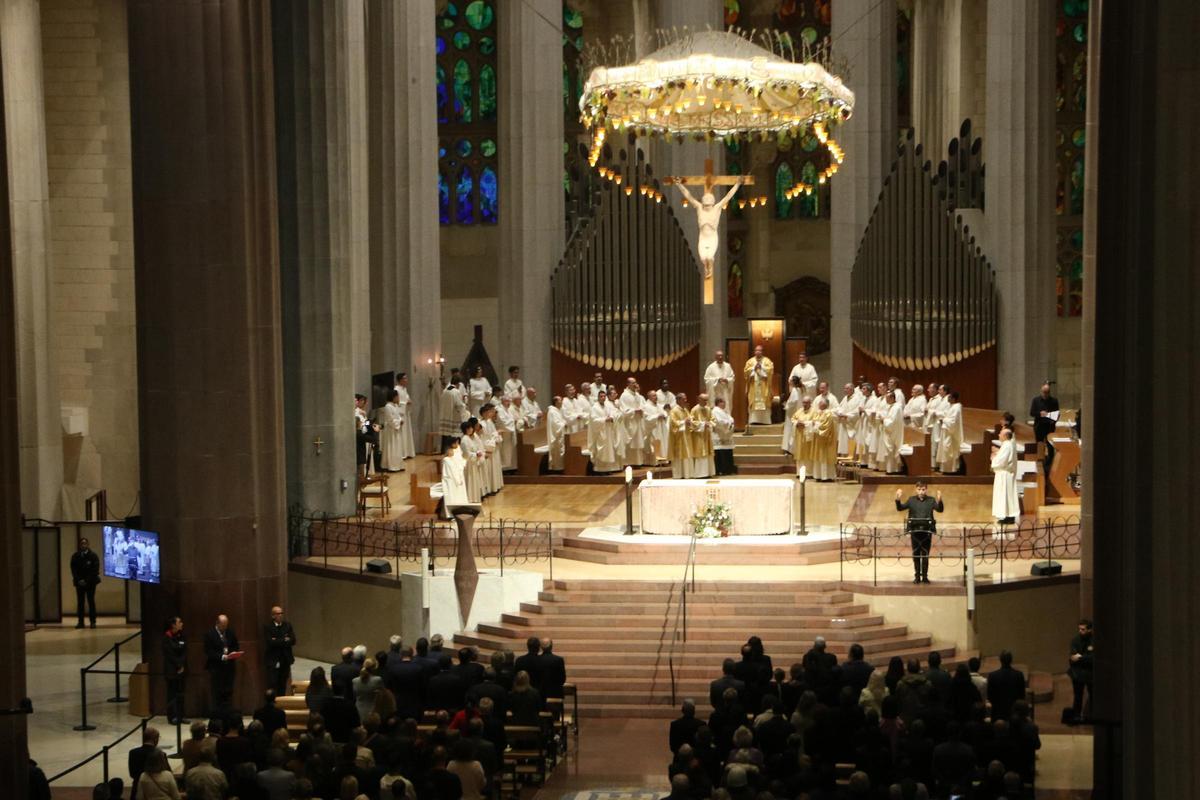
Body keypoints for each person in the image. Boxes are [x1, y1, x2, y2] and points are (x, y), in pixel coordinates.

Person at [895, 481, 944, 584]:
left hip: (926, 532)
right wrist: (898, 499)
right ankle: (917, 577)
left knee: (925, 555)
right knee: (916, 555)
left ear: (926, 489)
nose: (921, 491)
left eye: (923, 489)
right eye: (919, 489)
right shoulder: (911, 500)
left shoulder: (931, 500)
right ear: (916, 489)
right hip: (915, 531)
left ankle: (925, 577)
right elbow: (900, 508)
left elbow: (940, 510)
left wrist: (940, 500)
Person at [203, 614, 240, 711]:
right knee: (217, 692)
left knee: (228, 692)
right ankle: (217, 714)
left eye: (226, 625)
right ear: (217, 623)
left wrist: (233, 653)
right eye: (223, 625)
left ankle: (228, 712)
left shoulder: (230, 632)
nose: (225, 627)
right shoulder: (210, 634)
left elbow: (236, 646)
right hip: (216, 668)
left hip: (229, 668)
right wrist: (222, 656)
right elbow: (208, 651)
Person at [264, 604, 296, 698]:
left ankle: (282, 703)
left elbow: (293, 640)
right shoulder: (268, 626)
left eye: (281, 613)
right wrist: (284, 639)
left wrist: (277, 639)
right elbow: (270, 642)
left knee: (283, 683)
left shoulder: (287, 625)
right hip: (273, 660)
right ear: (273, 615)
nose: (280, 615)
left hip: (285, 659)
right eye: (278, 613)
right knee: (273, 683)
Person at [588, 389, 624, 473]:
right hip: (600, 433)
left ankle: (608, 469)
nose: (603, 398)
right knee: (602, 450)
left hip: (608, 432)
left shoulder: (607, 406)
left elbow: (613, 414)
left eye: (604, 396)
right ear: (598, 397)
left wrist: (612, 418)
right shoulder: (594, 408)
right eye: (601, 396)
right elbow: (594, 420)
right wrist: (605, 419)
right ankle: (600, 469)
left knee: (609, 451)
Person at [986, 650, 1026, 722]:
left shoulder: (993, 676)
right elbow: (1022, 695)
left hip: (997, 713)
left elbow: (990, 697)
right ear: (1011, 660)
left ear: (1000, 660)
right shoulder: (1019, 675)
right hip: (1015, 713)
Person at [1030, 382, 1060, 479]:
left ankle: (1050, 464)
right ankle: (1039, 464)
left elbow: (1057, 414)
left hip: (1049, 427)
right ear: (1041, 391)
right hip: (1039, 426)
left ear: (1049, 392)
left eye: (1047, 392)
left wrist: (1053, 419)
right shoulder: (1036, 400)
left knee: (1050, 446)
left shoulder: (1054, 401)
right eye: (1044, 392)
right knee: (1039, 445)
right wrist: (1040, 413)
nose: (1045, 394)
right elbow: (1032, 413)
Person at [990, 428, 1019, 524]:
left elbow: (1002, 460)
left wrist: (994, 458)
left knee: (1005, 495)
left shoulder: (1007, 445)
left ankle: (1008, 516)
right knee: (1005, 495)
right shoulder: (1007, 444)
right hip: (1004, 474)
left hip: (1005, 474)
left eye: (1000, 434)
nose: (998, 435)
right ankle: (1007, 515)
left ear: (1005, 436)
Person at [70, 537, 101, 629]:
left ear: (88, 544)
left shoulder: (93, 556)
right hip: (79, 583)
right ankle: (80, 622)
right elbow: (73, 570)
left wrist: (86, 580)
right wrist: (79, 580)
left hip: (91, 583)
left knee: (91, 601)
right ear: (80, 545)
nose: (83, 545)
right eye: (82, 543)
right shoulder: (75, 556)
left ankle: (93, 622)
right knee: (80, 602)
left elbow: (95, 570)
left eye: (85, 543)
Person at [162, 616, 187, 724]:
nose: (181, 624)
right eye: (179, 622)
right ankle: (172, 717)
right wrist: (178, 665)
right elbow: (170, 654)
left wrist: (182, 665)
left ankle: (181, 716)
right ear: (173, 625)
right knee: (171, 694)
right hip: (172, 670)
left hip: (181, 669)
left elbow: (184, 650)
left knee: (180, 694)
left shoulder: (181, 635)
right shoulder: (167, 637)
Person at [1068, 619, 1094, 722]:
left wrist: (1080, 658)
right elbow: (1072, 657)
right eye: (1079, 629)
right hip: (1077, 673)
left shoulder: (1094, 640)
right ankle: (1076, 716)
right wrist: (1085, 658)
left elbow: (1093, 658)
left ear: (1089, 630)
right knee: (1077, 695)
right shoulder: (1075, 640)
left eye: (1083, 629)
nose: (1080, 631)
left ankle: (1091, 715)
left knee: (1093, 695)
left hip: (1090, 673)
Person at [618, 379, 647, 466]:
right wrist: (634, 411)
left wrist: (641, 410)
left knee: (638, 442)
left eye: (635, 382)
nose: (635, 384)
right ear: (628, 384)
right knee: (630, 443)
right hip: (630, 423)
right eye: (633, 383)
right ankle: (628, 463)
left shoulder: (637, 395)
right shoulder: (624, 396)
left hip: (638, 421)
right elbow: (623, 410)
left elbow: (643, 406)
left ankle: (638, 462)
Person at [743, 346, 774, 426]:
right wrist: (754, 368)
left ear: (762, 352)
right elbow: (746, 372)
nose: (758, 352)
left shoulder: (767, 361)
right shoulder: (750, 361)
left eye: (760, 350)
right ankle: (753, 420)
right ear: (754, 351)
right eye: (756, 350)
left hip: (764, 386)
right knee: (754, 401)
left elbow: (770, 371)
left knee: (765, 401)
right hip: (754, 386)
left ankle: (765, 421)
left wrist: (762, 367)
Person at [377, 388, 406, 472]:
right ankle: (391, 466)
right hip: (390, 430)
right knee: (391, 447)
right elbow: (390, 420)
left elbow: (398, 416)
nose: (398, 398)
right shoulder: (388, 407)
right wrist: (399, 422)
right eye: (397, 396)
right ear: (393, 397)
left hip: (396, 430)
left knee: (397, 447)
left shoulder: (395, 406)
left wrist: (400, 420)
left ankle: (398, 465)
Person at [808, 397, 837, 481]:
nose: (819, 404)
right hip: (818, 440)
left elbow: (825, 426)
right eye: (819, 403)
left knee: (824, 458)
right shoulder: (818, 413)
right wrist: (813, 424)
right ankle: (818, 476)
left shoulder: (828, 414)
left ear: (825, 404)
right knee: (818, 457)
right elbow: (814, 421)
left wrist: (815, 425)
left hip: (825, 440)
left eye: (821, 403)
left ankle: (826, 476)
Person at [128, 726, 161, 800]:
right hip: (155, 790)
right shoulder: (160, 754)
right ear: (155, 739)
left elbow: (132, 774)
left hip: (137, 789)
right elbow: (166, 771)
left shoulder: (133, 753)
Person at [938, 390, 964, 474]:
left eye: (949, 397)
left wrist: (944, 420)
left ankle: (951, 470)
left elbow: (953, 421)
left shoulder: (957, 408)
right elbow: (946, 415)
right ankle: (945, 469)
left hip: (951, 433)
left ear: (953, 398)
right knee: (945, 449)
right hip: (946, 431)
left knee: (949, 450)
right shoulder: (951, 406)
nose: (947, 398)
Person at [879, 390, 905, 474]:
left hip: (894, 432)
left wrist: (884, 420)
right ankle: (890, 469)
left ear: (892, 398)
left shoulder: (897, 407)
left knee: (892, 450)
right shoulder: (891, 406)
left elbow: (892, 421)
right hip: (890, 431)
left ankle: (894, 470)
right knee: (889, 451)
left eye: (887, 398)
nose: (886, 400)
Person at [689, 394, 715, 478]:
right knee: (700, 453)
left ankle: (708, 472)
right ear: (699, 399)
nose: (706, 402)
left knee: (708, 454)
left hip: (706, 434)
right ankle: (700, 474)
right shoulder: (694, 409)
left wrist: (710, 424)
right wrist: (703, 424)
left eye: (707, 400)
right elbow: (691, 422)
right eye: (704, 400)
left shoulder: (708, 409)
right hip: (698, 436)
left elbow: (713, 420)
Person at [355, 394, 382, 473]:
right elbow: (361, 425)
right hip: (360, 435)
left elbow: (365, 424)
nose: (356, 402)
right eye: (356, 400)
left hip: (364, 433)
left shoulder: (360, 411)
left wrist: (369, 424)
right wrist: (369, 425)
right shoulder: (355, 412)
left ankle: (366, 473)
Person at [668, 393, 693, 478]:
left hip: (686, 435)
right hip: (678, 437)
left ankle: (687, 474)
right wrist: (683, 422)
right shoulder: (674, 411)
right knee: (679, 456)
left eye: (685, 398)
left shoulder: (685, 410)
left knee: (687, 455)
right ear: (678, 400)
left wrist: (690, 422)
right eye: (683, 399)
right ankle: (678, 474)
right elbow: (673, 424)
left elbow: (690, 419)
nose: (685, 400)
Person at [439, 378, 467, 451]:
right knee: (455, 434)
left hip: (445, 416)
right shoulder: (456, 391)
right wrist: (464, 405)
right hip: (454, 416)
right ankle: (455, 451)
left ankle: (444, 451)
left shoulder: (445, 390)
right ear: (457, 384)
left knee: (446, 435)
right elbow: (459, 405)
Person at [393, 372, 416, 461]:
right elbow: (397, 402)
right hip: (400, 414)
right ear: (400, 380)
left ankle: (408, 452)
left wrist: (408, 400)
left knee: (407, 433)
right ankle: (402, 453)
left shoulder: (404, 389)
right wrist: (406, 402)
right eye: (405, 378)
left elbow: (406, 397)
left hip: (406, 413)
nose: (406, 380)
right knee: (402, 434)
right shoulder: (396, 389)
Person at [643, 389, 670, 463]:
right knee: (655, 443)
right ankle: (655, 461)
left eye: (656, 395)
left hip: (661, 428)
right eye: (654, 395)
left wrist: (664, 415)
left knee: (662, 443)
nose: (656, 397)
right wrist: (657, 416)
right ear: (649, 397)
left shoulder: (659, 405)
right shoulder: (646, 406)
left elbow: (665, 413)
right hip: (653, 428)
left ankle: (663, 459)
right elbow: (646, 418)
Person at [711, 398, 736, 475]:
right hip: (719, 434)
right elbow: (719, 421)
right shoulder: (715, 411)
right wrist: (729, 423)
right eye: (723, 402)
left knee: (727, 452)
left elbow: (730, 418)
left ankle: (728, 469)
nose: (724, 404)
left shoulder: (723, 411)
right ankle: (721, 469)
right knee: (720, 453)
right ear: (718, 403)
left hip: (726, 435)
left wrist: (731, 422)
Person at [781, 376, 803, 455]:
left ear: (793, 382)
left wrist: (785, 405)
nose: (789, 382)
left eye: (790, 381)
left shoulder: (794, 390)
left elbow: (793, 401)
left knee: (790, 430)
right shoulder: (799, 390)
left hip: (791, 414)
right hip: (795, 412)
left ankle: (789, 448)